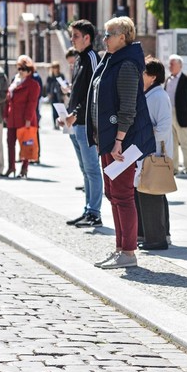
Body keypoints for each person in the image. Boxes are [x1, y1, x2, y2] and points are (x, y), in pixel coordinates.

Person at [87, 16, 155, 269]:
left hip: (121, 142)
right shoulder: (110, 61)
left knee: (123, 196)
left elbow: (127, 108)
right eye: (104, 34)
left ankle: (128, 251)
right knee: (113, 194)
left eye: (108, 34)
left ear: (123, 37)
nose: (104, 39)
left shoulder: (126, 64)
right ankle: (120, 248)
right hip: (107, 140)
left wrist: (118, 141)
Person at [63, 19, 104, 228]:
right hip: (75, 123)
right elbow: (80, 91)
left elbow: (94, 94)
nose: (72, 39)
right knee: (84, 169)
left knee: (92, 169)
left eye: (76, 36)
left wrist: (76, 114)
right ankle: (88, 209)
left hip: (86, 124)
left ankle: (95, 212)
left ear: (87, 38)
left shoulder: (91, 58)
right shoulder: (79, 59)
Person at [135, 56, 173, 251]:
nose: (140, 76)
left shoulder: (158, 96)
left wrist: (145, 134)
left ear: (153, 76)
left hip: (154, 153)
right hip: (149, 151)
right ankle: (153, 235)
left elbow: (164, 127)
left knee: (151, 194)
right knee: (151, 193)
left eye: (143, 72)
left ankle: (156, 239)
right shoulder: (152, 94)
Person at [4, 55, 40, 179]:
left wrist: (28, 119)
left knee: (25, 143)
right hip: (12, 117)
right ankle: (11, 167)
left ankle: (24, 168)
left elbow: (32, 103)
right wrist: (5, 114)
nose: (20, 71)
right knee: (10, 142)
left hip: (24, 118)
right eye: (19, 68)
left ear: (30, 71)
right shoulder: (15, 81)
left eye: (23, 69)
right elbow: (8, 99)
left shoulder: (33, 84)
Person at [165, 54, 187, 175]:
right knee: (172, 143)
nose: (170, 66)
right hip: (169, 114)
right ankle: (174, 168)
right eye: (169, 64)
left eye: (172, 64)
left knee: (185, 142)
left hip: (181, 115)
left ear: (180, 66)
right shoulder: (168, 79)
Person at [44, 61, 67, 131]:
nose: (55, 69)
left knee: (60, 111)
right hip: (53, 95)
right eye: (53, 67)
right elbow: (47, 86)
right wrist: (48, 93)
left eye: (56, 67)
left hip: (59, 95)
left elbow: (64, 85)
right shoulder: (50, 77)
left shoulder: (61, 75)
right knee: (54, 111)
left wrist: (64, 95)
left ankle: (62, 124)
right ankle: (55, 124)